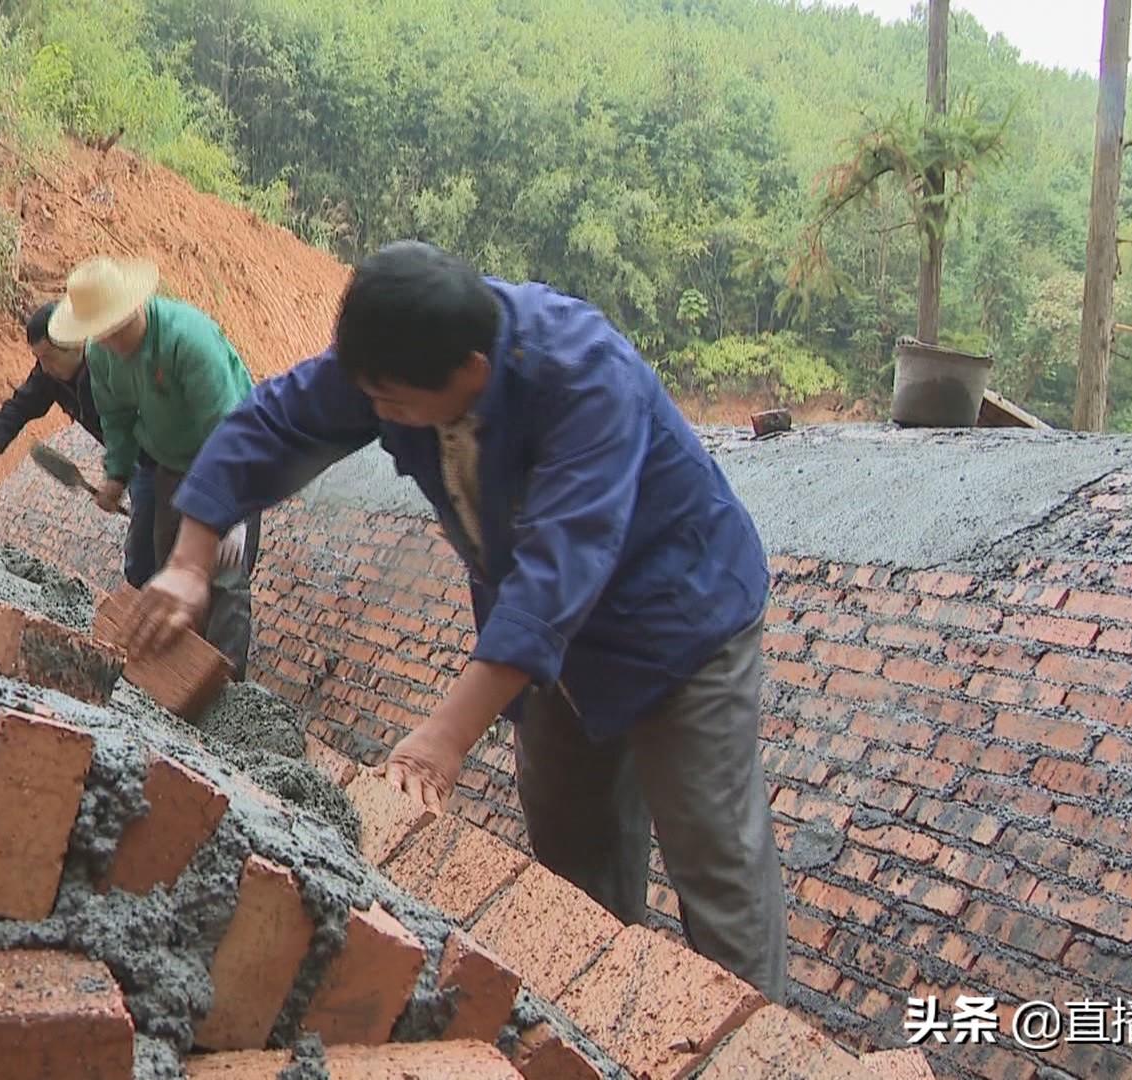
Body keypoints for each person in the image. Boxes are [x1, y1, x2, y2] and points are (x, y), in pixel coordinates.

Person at [121, 240, 788, 1002]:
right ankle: (597, 1023)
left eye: (395, 404)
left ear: (473, 372)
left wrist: (441, 741)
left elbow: (556, 575)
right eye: (372, 397)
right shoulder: (399, 360)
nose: (378, 416)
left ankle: (752, 1041)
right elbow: (273, 420)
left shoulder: (583, 377)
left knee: (714, 858)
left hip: (678, 623)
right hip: (548, 653)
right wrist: (190, 558)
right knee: (571, 861)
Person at [47, 255, 261, 679]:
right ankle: (174, 678)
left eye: (116, 327)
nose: (109, 340)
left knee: (223, 575)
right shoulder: (103, 358)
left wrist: (233, 512)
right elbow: (118, 420)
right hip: (171, 466)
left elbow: (225, 426)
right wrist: (116, 476)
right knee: (172, 572)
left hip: (232, 458)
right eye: (99, 332)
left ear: (134, 307)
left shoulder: (188, 340)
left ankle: (226, 688)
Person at [0, 300, 159, 589]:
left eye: (50, 357)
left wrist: (116, 482)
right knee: (144, 558)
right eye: (39, 358)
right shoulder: (49, 375)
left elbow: (134, 431)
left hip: (161, 455)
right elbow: (16, 410)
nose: (44, 367)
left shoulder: (109, 366)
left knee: (154, 549)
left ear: (75, 342)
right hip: (134, 462)